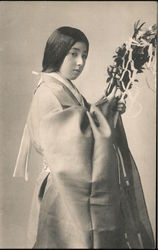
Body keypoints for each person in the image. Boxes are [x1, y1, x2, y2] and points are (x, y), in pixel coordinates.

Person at [13, 26, 154, 249]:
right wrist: (103, 111)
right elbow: (69, 133)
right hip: (62, 185)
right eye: (74, 53)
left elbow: (87, 119)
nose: (80, 62)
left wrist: (109, 106)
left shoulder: (65, 88)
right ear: (57, 51)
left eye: (84, 56)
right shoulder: (47, 91)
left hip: (74, 182)